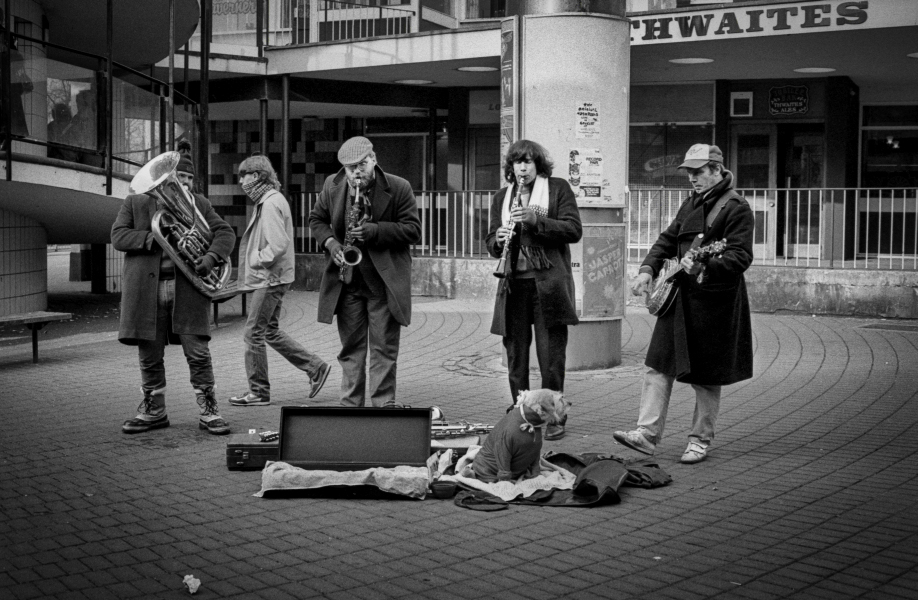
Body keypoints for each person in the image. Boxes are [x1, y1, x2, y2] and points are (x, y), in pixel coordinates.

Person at [614, 143, 754, 464]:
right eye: (689, 172)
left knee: (706, 376)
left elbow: (740, 256)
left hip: (714, 303)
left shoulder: (736, 208)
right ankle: (647, 435)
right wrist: (648, 270)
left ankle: (699, 440)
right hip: (679, 299)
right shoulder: (691, 202)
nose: (692, 178)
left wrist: (706, 266)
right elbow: (667, 239)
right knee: (658, 367)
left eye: (698, 171)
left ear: (717, 170)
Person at [112, 153, 235, 435]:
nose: (184, 183)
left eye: (189, 178)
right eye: (180, 177)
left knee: (198, 352)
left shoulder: (199, 204)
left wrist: (211, 257)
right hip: (146, 289)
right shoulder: (135, 201)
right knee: (149, 355)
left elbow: (224, 232)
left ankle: (210, 412)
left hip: (187, 288)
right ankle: (154, 411)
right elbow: (118, 236)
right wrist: (155, 237)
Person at [309, 136, 421, 407]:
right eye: (350, 168)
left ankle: (383, 408)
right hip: (347, 281)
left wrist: (376, 230)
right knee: (351, 350)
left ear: (374, 160)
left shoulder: (399, 186)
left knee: (383, 349)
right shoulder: (332, 185)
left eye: (361, 165)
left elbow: (413, 230)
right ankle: (350, 408)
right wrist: (331, 243)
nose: (356, 173)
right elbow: (317, 219)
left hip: (383, 284)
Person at [485, 139, 582, 440]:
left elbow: (573, 230)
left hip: (548, 286)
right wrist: (498, 239)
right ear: (510, 167)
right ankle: (521, 410)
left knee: (550, 356)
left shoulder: (557, 188)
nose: (522, 167)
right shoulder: (503, 196)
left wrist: (536, 220)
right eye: (517, 162)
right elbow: (489, 241)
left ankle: (555, 416)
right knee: (515, 356)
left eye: (528, 161)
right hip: (514, 285)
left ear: (538, 164)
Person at [228, 154, 332, 407]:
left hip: (270, 278)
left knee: (253, 333)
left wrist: (257, 259)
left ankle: (259, 392)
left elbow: (277, 244)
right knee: (269, 331)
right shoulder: (268, 200)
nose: (241, 181)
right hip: (273, 277)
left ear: (257, 176)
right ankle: (315, 367)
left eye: (244, 175)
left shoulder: (271, 202)